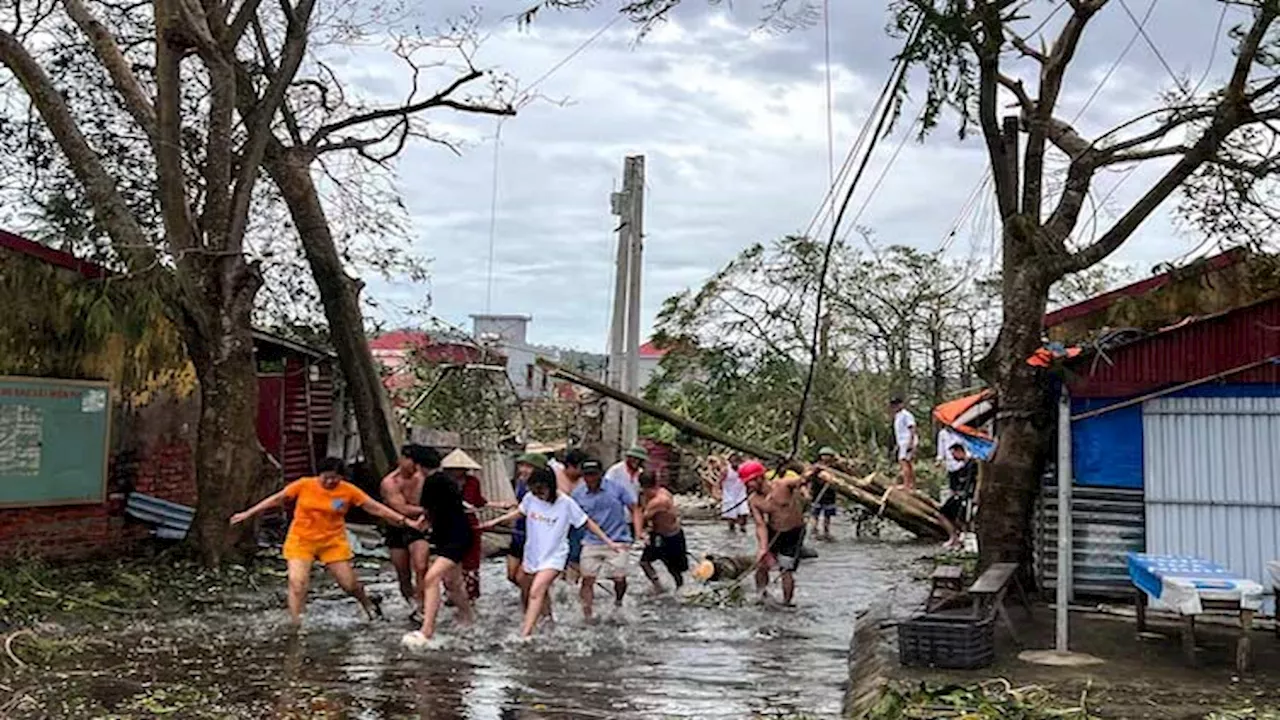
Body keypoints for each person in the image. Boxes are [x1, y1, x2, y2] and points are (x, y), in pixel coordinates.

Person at [230, 457, 426, 625]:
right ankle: (296, 622)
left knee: (349, 584)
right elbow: (276, 499)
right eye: (326, 477)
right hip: (301, 540)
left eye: (335, 477)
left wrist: (406, 522)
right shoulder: (304, 484)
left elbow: (377, 509)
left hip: (332, 542)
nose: (330, 481)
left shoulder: (349, 491)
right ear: (319, 474)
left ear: (342, 477)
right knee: (297, 582)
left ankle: (367, 602)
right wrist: (248, 513)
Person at [479, 467, 623, 637]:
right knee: (530, 586)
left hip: (555, 556)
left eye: (541, 490)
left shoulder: (566, 503)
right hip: (533, 554)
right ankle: (548, 622)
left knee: (536, 590)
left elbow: (587, 522)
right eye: (534, 490)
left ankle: (525, 634)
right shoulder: (530, 498)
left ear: (551, 486)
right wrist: (494, 522)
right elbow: (519, 512)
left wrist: (608, 542)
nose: (538, 494)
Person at [406, 448, 478, 642]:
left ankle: (426, 630)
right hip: (455, 535)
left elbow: (427, 511)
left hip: (454, 538)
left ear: (418, 465)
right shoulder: (446, 480)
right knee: (453, 584)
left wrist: (419, 524)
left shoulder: (432, 481)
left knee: (431, 578)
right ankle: (468, 618)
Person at [571, 459, 642, 620]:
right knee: (587, 578)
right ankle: (587, 614)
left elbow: (634, 508)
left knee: (619, 578)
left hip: (618, 539)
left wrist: (638, 533)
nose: (590, 478)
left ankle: (618, 601)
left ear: (600, 475)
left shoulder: (616, 489)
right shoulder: (577, 494)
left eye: (593, 475)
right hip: (590, 541)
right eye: (587, 475)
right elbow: (572, 518)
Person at [741, 460, 809, 607]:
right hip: (773, 530)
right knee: (762, 564)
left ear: (760, 478)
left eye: (750, 482)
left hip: (794, 532)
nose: (748, 486)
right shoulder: (754, 500)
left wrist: (812, 473)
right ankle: (761, 595)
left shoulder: (783, 485)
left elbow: (802, 479)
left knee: (786, 569)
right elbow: (760, 525)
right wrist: (763, 548)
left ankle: (786, 603)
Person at [379, 444, 430, 614]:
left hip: (419, 528)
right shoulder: (390, 482)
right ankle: (412, 602)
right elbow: (401, 508)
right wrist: (429, 509)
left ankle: (423, 606)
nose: (414, 467)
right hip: (397, 527)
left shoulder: (423, 477)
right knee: (403, 573)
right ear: (402, 460)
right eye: (411, 462)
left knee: (421, 566)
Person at [441, 448, 490, 601]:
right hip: (448, 525)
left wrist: (489, 505)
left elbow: (478, 501)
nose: (457, 471)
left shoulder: (473, 482)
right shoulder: (442, 483)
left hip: (470, 524)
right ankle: (452, 592)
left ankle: (471, 594)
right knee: (450, 561)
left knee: (471, 561)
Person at [639, 472, 689, 592]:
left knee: (673, 568)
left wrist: (641, 532)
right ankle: (658, 585)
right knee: (644, 562)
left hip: (671, 536)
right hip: (660, 534)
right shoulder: (662, 492)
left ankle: (679, 588)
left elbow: (643, 518)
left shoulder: (659, 501)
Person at [506, 453, 543, 607]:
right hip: (518, 534)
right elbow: (519, 505)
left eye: (528, 466)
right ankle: (536, 594)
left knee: (522, 577)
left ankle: (529, 610)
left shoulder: (543, 489)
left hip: (534, 538)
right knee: (511, 575)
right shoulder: (520, 484)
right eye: (522, 465)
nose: (523, 469)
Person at [557, 449, 590, 582]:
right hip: (557, 522)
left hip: (577, 523)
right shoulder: (554, 474)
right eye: (580, 468)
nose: (582, 473)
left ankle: (572, 585)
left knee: (575, 555)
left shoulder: (585, 481)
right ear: (570, 466)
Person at [940, 443, 977, 549]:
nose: (953, 457)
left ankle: (958, 538)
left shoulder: (972, 465)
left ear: (960, 451)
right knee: (944, 513)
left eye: (954, 454)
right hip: (959, 495)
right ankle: (954, 537)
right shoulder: (962, 467)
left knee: (963, 518)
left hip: (966, 497)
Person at [809, 446, 838, 540]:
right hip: (817, 493)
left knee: (827, 516)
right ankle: (814, 530)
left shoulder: (835, 467)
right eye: (823, 455)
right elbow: (810, 479)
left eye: (827, 455)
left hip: (829, 495)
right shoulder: (816, 466)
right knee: (815, 514)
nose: (825, 457)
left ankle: (826, 532)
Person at [890, 397, 918, 490]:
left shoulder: (906, 415)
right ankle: (911, 484)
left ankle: (907, 485)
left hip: (907, 440)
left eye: (897, 404)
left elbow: (912, 428)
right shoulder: (897, 416)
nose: (895, 407)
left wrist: (911, 442)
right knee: (908, 463)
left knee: (904, 462)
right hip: (902, 441)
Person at [719, 454, 749, 533]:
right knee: (731, 517)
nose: (735, 463)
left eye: (737, 461)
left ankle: (743, 529)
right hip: (729, 495)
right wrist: (718, 493)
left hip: (741, 494)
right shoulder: (725, 470)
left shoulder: (743, 469)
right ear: (730, 462)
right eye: (733, 461)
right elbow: (719, 482)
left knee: (744, 512)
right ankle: (732, 531)